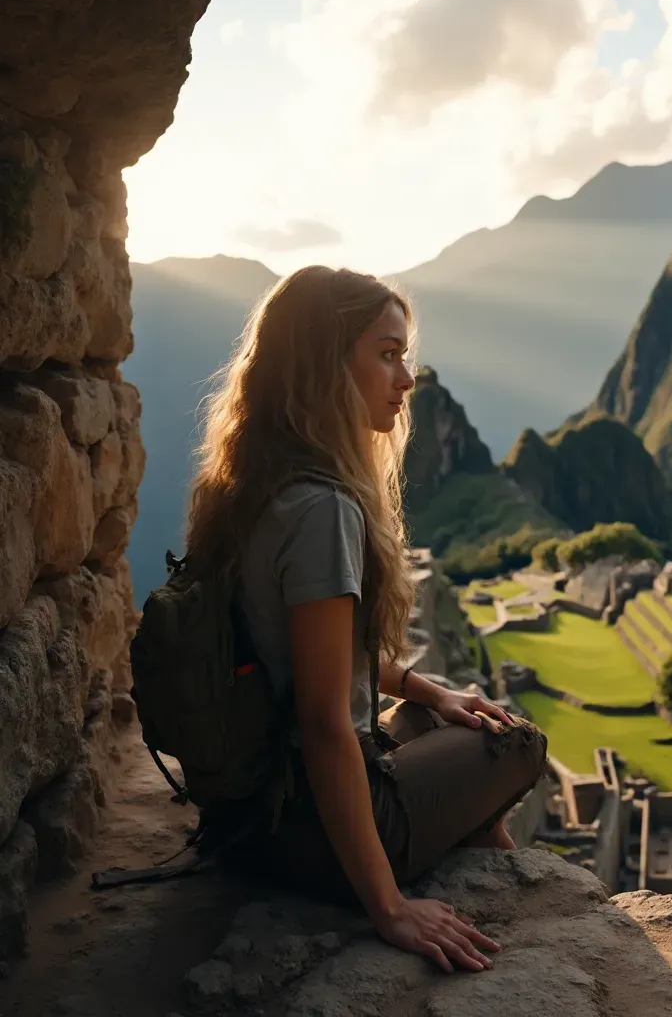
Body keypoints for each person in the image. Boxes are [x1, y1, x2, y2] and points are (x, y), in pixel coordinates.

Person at [182, 265, 549, 974]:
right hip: (304, 829)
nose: (408, 378)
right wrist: (389, 909)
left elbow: (308, 650)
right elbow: (324, 719)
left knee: (452, 717)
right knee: (517, 743)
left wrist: (428, 691)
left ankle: (488, 874)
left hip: (247, 812)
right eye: (386, 354)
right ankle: (475, 895)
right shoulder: (323, 511)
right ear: (326, 365)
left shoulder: (249, 486)